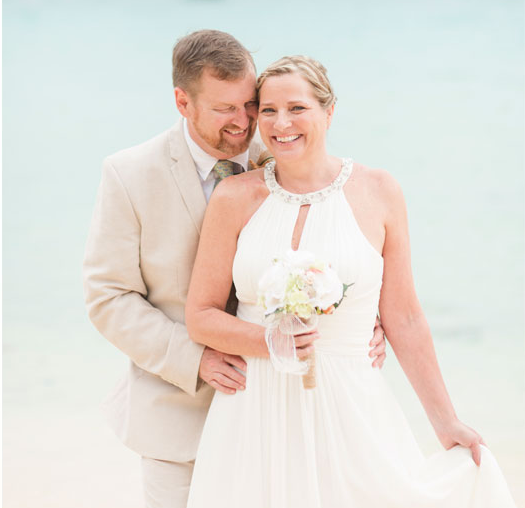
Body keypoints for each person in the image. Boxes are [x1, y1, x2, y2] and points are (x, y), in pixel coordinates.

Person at [184, 55, 516, 507]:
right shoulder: (233, 198)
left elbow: (404, 317)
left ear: (329, 110)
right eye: (268, 110)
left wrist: (444, 420)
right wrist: (271, 342)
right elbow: (200, 317)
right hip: (251, 410)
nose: (282, 124)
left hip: (352, 407)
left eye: (297, 108)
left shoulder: (379, 192)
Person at [83, 30, 386, 508]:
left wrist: (366, 317)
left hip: (276, 414)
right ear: (183, 102)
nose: (245, 122)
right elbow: (108, 298)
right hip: (176, 417)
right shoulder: (129, 173)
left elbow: (338, 236)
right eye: (225, 108)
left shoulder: (280, 155)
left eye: (251, 104)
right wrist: (195, 358)